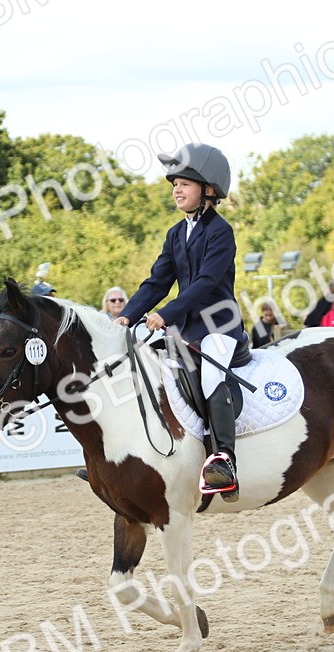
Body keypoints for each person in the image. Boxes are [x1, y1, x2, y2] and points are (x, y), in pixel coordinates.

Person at [115, 143, 246, 500]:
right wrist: (127, 315)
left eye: (184, 183)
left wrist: (164, 314)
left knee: (210, 375)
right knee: (142, 369)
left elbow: (205, 284)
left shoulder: (221, 232)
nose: (176, 189)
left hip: (218, 324)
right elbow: (158, 281)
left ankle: (223, 459)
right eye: (173, 183)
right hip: (185, 329)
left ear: (208, 189)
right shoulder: (176, 233)